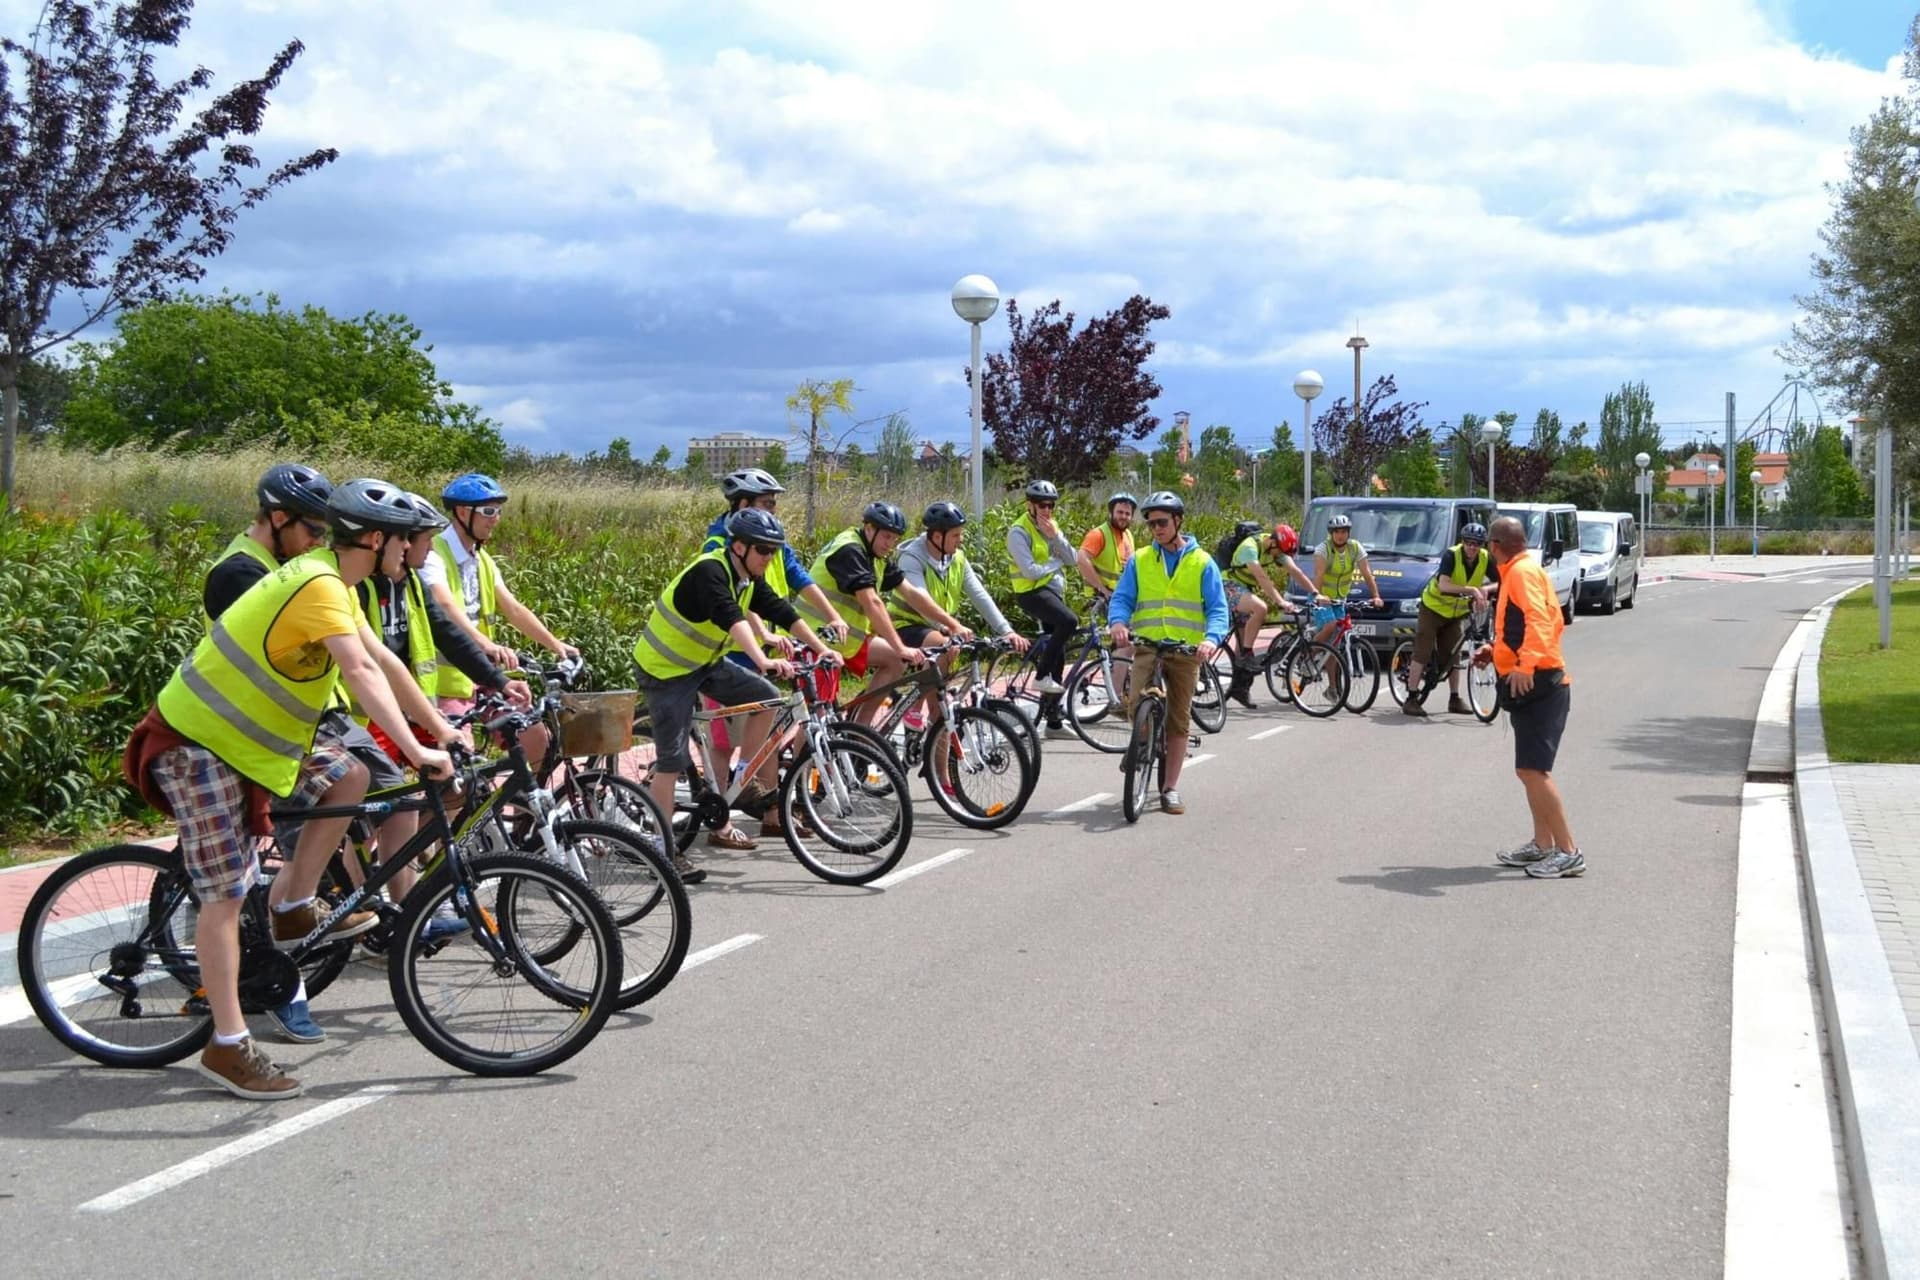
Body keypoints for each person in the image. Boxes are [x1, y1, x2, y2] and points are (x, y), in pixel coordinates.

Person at [127, 479, 455, 1100]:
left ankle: (290, 904)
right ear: (378, 539)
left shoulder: (338, 580)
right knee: (223, 893)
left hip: (253, 743)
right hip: (196, 741)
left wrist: (441, 731)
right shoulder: (318, 584)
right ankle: (227, 1045)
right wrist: (415, 751)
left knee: (350, 776)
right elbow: (356, 671)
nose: (414, 552)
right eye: (408, 541)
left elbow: (384, 662)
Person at [633, 509, 841, 881]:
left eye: (775, 551)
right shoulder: (710, 571)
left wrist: (819, 648)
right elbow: (731, 617)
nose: (770, 558)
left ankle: (744, 781)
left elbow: (781, 608)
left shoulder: (747, 577)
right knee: (670, 761)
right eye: (764, 550)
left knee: (766, 698)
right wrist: (762, 658)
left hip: (704, 664)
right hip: (665, 671)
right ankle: (663, 853)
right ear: (739, 546)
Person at [1106, 491, 1229, 816]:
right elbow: (1122, 599)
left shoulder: (1202, 563)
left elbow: (1218, 609)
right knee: (1135, 704)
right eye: (1150, 524)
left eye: (1162, 522)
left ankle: (1170, 789)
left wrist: (1211, 639)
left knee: (1178, 719)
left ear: (1178, 521)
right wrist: (1118, 622)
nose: (1156, 529)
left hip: (1186, 651)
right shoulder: (1141, 559)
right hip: (1148, 644)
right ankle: (1141, 740)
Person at [1474, 515, 1582, 879]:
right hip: (1533, 679)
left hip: (1539, 683)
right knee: (1528, 771)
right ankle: (1542, 845)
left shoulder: (1519, 574)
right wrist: (1497, 651)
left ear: (1496, 546)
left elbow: (1539, 620)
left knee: (1534, 771)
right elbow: (1547, 623)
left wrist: (1524, 665)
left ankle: (1568, 851)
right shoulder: (1521, 571)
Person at [794, 501, 938, 729]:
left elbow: (910, 592)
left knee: (894, 659)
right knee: (819, 718)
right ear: (869, 529)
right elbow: (872, 603)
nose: (890, 544)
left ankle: (860, 729)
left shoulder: (875, 555)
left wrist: (952, 624)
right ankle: (808, 763)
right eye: (886, 536)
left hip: (843, 639)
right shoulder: (850, 550)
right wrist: (901, 646)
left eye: (895, 538)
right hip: (813, 638)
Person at [893, 503, 1031, 716]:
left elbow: (979, 595)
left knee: (943, 709)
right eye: (956, 535)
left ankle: (937, 738)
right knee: (943, 649)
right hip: (905, 626)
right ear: (938, 537)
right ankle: (914, 708)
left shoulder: (956, 557)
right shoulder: (911, 558)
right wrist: (949, 628)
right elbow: (920, 600)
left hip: (942, 629)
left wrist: (1006, 630)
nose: (961, 540)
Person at [702, 468, 847, 660]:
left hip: (770, 639)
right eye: (767, 503)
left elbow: (797, 575)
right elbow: (732, 598)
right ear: (744, 504)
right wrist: (762, 632)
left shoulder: (769, 538)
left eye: (774, 503)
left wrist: (833, 616)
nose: (773, 510)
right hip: (734, 646)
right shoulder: (717, 545)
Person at [1006, 479, 1081, 734]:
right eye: (1042, 505)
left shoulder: (1051, 527)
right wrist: (1054, 563)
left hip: (1051, 592)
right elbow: (1029, 571)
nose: (1047, 510)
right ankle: (1040, 676)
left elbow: (1072, 559)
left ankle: (1053, 721)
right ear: (1030, 505)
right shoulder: (1019, 531)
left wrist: (1056, 537)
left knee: (1058, 652)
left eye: (1051, 505)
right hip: (1030, 592)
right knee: (1069, 622)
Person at [1402, 521, 1499, 718]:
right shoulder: (1451, 555)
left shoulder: (1485, 558)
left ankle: (1455, 698)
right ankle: (1411, 698)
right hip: (1433, 607)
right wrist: (1471, 590)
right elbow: (1444, 585)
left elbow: (1501, 581)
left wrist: (1485, 589)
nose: (1472, 547)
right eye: (1468, 543)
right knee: (1423, 649)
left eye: (1477, 544)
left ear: (1482, 545)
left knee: (1454, 655)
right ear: (1462, 542)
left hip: (1456, 612)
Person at [1221, 522, 1314, 708]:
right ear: (1272, 543)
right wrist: (1281, 601)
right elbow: (1262, 578)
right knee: (1261, 608)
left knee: (1244, 639)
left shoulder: (1276, 549)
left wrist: (1316, 593)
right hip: (1226, 584)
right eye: (1278, 552)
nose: (1279, 557)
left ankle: (1240, 689)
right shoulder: (1249, 547)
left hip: (1244, 588)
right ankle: (1247, 654)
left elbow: (1296, 572)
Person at [1310, 513, 1384, 651]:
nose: (1340, 535)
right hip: (1321, 597)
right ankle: (1308, 659)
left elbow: (1367, 573)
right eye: (1336, 532)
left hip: (1340, 599)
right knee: (1330, 626)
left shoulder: (1355, 547)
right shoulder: (1323, 549)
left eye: (1343, 531)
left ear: (1348, 533)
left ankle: (1333, 672)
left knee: (1335, 643)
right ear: (1331, 533)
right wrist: (1318, 597)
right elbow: (1319, 575)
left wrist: (1376, 596)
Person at [1075, 491, 1138, 604]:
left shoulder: (1128, 535)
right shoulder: (1099, 534)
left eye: (1127, 514)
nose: (1123, 516)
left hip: (1120, 597)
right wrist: (1101, 589)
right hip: (1101, 600)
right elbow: (1081, 559)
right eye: (1120, 512)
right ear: (1111, 512)